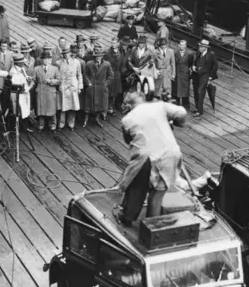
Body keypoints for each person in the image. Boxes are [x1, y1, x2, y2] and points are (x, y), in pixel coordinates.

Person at [116, 92, 188, 226]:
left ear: (129, 105)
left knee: (137, 187)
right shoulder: (160, 107)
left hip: (146, 158)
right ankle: (151, 226)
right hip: (170, 154)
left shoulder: (127, 120)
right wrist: (176, 122)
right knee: (157, 194)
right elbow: (182, 113)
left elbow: (128, 140)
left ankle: (136, 221)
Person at [0, 53, 35, 132]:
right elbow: (20, 87)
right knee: (15, 111)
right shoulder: (13, 72)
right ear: (18, 63)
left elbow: (23, 77)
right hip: (18, 94)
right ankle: (12, 128)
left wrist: (28, 78)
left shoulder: (21, 68)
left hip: (23, 95)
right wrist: (31, 85)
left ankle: (24, 127)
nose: (24, 63)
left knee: (24, 111)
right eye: (22, 61)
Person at [83, 46, 114, 127]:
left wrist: (106, 84)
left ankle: (97, 119)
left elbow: (111, 75)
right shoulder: (89, 63)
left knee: (101, 105)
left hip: (101, 88)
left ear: (102, 56)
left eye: (99, 56)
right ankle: (85, 120)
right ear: (94, 56)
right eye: (96, 56)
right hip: (91, 87)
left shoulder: (107, 64)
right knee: (88, 105)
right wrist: (88, 83)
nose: (98, 58)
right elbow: (85, 74)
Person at [55, 44, 83, 131]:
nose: (66, 55)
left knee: (72, 106)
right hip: (63, 87)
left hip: (73, 86)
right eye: (64, 53)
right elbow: (57, 76)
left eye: (67, 53)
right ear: (62, 54)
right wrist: (59, 86)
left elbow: (79, 75)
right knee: (63, 107)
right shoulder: (58, 63)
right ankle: (61, 124)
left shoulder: (76, 62)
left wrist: (79, 87)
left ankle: (71, 124)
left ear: (70, 53)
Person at [34, 51, 60, 132]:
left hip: (50, 92)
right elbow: (34, 79)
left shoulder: (55, 69)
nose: (46, 61)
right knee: (41, 110)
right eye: (44, 59)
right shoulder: (37, 68)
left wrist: (51, 81)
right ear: (42, 60)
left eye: (48, 59)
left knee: (52, 110)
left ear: (50, 60)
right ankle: (41, 126)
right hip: (41, 91)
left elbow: (59, 80)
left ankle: (53, 126)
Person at [192, 39, 218, 117]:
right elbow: (195, 61)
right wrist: (193, 66)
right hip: (196, 75)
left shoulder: (211, 55)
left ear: (205, 47)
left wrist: (211, 76)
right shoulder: (198, 53)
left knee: (200, 92)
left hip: (204, 76)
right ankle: (197, 108)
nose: (199, 47)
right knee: (196, 92)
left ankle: (200, 111)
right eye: (199, 46)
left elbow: (215, 66)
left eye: (201, 46)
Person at [104, 37, 127, 114]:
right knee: (108, 92)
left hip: (117, 75)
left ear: (118, 43)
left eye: (114, 43)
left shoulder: (121, 53)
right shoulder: (107, 53)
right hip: (109, 74)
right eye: (111, 43)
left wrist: (124, 70)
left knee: (114, 93)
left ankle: (110, 107)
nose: (112, 44)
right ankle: (105, 108)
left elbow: (123, 64)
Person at [172, 40, 195, 109]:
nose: (182, 46)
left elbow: (191, 63)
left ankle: (186, 105)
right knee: (176, 89)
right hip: (177, 73)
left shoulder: (190, 54)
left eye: (184, 45)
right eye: (181, 45)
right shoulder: (175, 52)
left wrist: (188, 70)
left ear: (186, 46)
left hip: (185, 74)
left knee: (185, 90)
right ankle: (176, 104)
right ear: (179, 45)